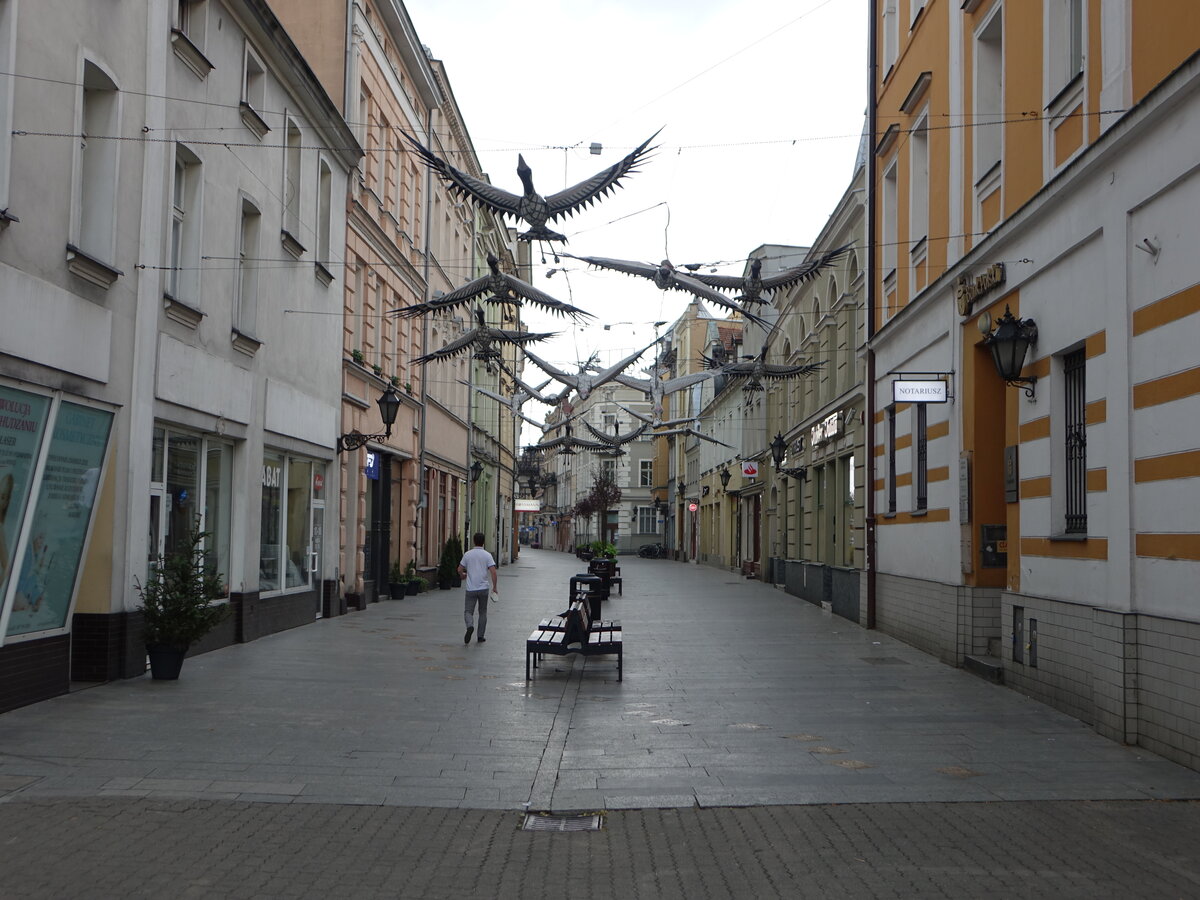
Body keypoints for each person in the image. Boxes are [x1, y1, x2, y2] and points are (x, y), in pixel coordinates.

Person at [457, 532, 497, 644]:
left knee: (468, 611)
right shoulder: (487, 555)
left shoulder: (468, 554)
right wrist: (495, 587)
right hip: (484, 588)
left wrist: (463, 575)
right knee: (483, 612)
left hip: (471, 589)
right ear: (483, 542)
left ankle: (470, 626)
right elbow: (493, 572)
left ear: (474, 541)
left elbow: (459, 569)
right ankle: (480, 636)